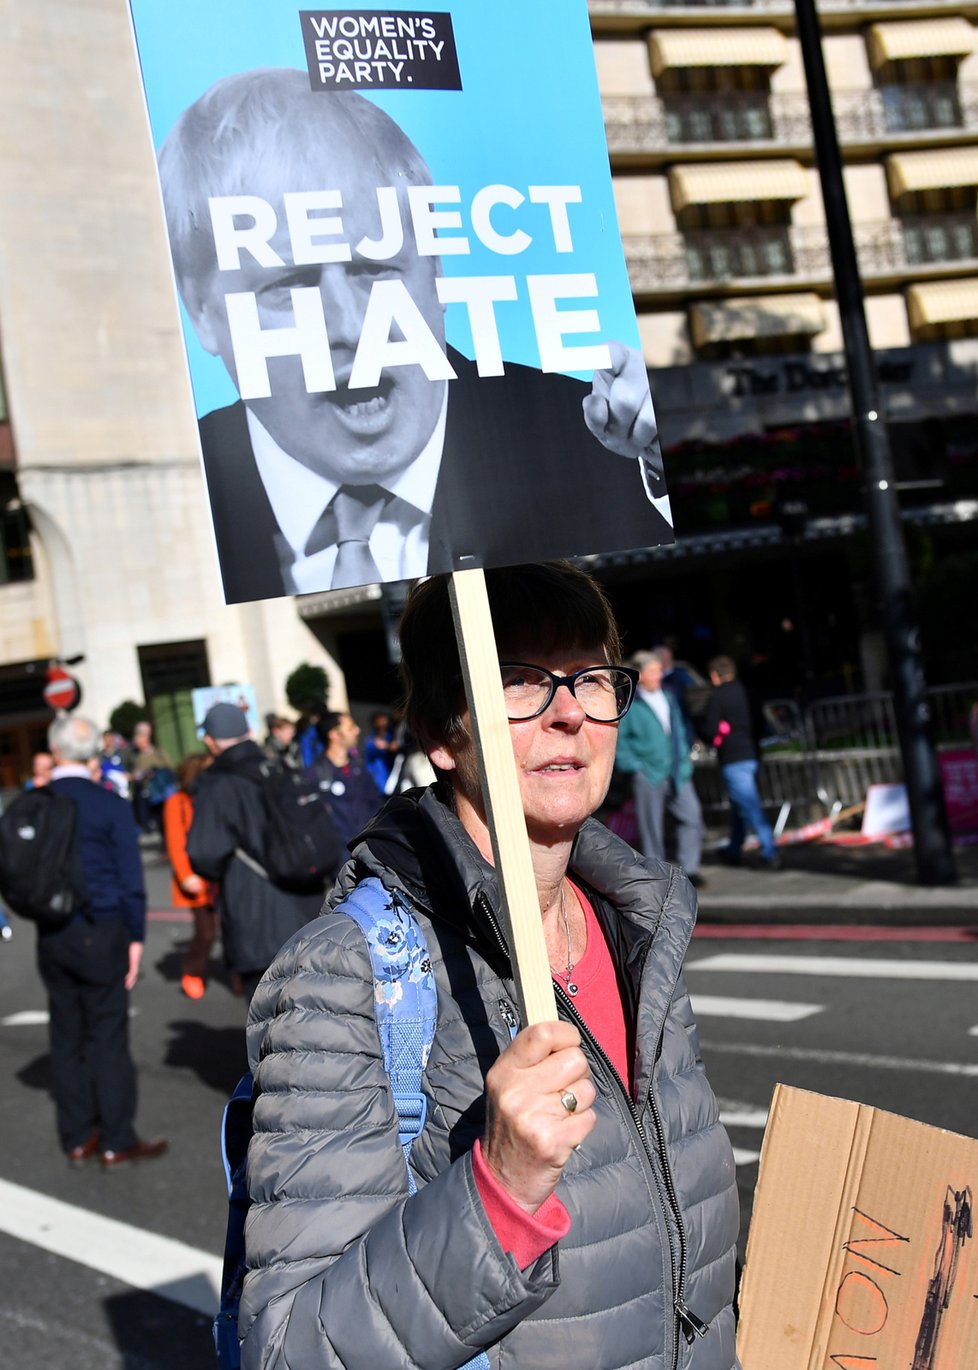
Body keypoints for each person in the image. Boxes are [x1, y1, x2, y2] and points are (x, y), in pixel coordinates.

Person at [240, 563, 739, 1369]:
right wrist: (497, 1192)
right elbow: (293, 1350)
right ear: (444, 731)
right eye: (520, 681)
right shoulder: (343, 975)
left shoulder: (639, 932)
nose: (571, 713)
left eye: (591, 678)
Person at [157, 69, 670, 604]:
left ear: (437, 270)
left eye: (373, 268)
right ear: (202, 312)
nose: (351, 326)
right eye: (290, 283)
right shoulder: (188, 494)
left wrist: (655, 458)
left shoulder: (597, 442)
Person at [39, 714, 167, 1167]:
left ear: (55, 751)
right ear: (93, 754)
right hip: (103, 926)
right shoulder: (107, 804)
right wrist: (135, 936)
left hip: (50, 930)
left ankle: (76, 1135)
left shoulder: (35, 802)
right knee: (108, 1035)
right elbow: (131, 882)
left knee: (66, 1032)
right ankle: (115, 1138)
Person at [186, 703, 327, 1002]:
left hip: (256, 915)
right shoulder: (278, 766)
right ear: (249, 732)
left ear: (210, 741)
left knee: (273, 1027)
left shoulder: (218, 784)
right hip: (309, 906)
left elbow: (204, 853)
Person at [615, 648, 706, 885]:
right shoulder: (631, 704)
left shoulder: (668, 696)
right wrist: (635, 767)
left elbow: (679, 730)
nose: (659, 675)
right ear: (641, 675)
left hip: (677, 771)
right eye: (654, 671)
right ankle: (657, 874)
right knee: (651, 826)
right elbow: (620, 742)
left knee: (692, 816)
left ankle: (691, 869)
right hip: (648, 773)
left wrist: (684, 759)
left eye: (658, 670)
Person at [701, 655, 780, 870]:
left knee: (749, 805)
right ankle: (734, 849)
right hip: (752, 754)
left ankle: (769, 850)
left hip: (733, 757)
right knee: (740, 804)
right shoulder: (749, 692)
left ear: (715, 675)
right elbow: (761, 724)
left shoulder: (718, 697)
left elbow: (709, 729)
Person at [163, 752, 220, 999]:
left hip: (221, 875)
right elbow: (175, 843)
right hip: (197, 878)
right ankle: (193, 969)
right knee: (206, 931)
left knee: (233, 927)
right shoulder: (177, 801)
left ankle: (240, 975)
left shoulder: (215, 798)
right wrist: (186, 876)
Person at [308, 710, 385, 851]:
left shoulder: (359, 767)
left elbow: (376, 804)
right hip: (340, 861)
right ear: (334, 735)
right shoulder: (315, 774)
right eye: (350, 728)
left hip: (372, 850)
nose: (357, 730)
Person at [126, 720, 174, 835]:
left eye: (139, 738)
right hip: (147, 793)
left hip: (160, 792)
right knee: (157, 821)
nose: (136, 741)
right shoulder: (136, 756)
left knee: (164, 820)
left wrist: (153, 772)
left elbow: (169, 768)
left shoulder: (158, 753)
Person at [362, 709, 398, 792]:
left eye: (384, 719)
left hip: (390, 773)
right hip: (377, 776)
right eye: (380, 720)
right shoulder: (371, 739)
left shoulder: (392, 736)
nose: (383, 722)